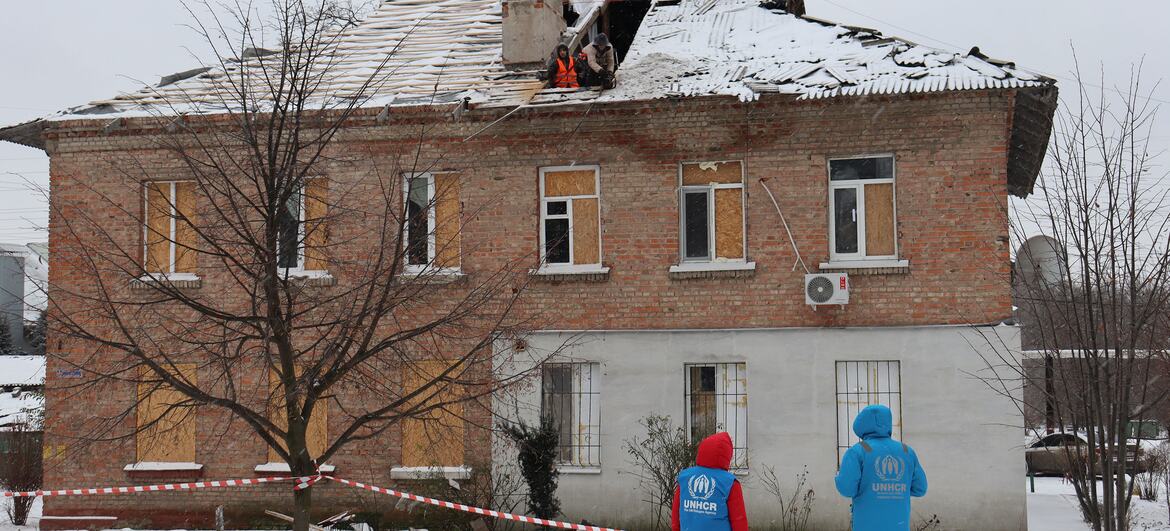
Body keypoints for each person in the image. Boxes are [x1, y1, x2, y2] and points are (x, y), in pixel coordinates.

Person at [834, 404, 928, 531]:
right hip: (899, 525)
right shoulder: (906, 451)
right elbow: (920, 488)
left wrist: (838, 477)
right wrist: (896, 488)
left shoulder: (857, 452)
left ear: (862, 425)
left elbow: (846, 489)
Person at [671, 432, 749, 531]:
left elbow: (676, 514)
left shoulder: (685, 478)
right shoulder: (729, 483)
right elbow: (739, 521)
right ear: (727, 456)